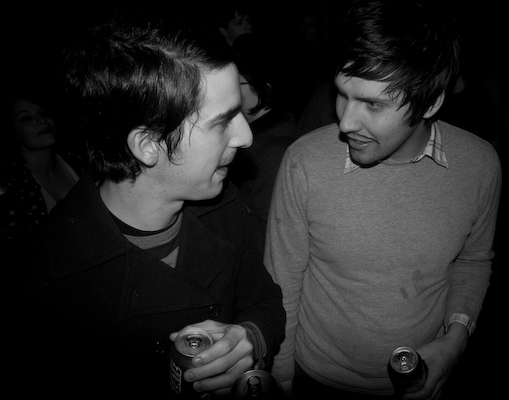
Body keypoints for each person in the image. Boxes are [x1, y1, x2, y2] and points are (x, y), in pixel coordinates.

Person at [12, 12, 285, 397]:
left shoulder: (223, 201)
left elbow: (263, 299)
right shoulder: (48, 281)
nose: (245, 136)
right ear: (148, 145)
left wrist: (251, 338)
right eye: (223, 120)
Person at [264, 1, 502, 399]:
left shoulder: (480, 165)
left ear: (431, 102)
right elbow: (282, 282)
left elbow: (473, 260)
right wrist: (283, 381)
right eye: (342, 94)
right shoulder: (303, 162)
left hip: (421, 380)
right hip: (315, 379)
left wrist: (455, 339)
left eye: (374, 104)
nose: (345, 123)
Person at [228, 33, 303, 237]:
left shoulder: (276, 152)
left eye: (236, 84)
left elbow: (267, 238)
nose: (227, 91)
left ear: (265, 86)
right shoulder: (258, 135)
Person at [1, 76, 84, 250]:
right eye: (26, 118)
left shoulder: (79, 160)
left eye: (43, 112)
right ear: (12, 132)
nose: (41, 120)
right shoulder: (11, 187)